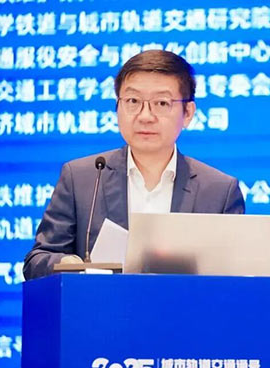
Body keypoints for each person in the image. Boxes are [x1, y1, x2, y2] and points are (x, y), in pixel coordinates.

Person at [23, 50, 245, 280]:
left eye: (161, 103)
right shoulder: (81, 178)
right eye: (133, 101)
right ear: (117, 106)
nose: (145, 116)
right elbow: (37, 260)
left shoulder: (219, 191)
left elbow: (236, 278)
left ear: (187, 113)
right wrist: (68, 265)